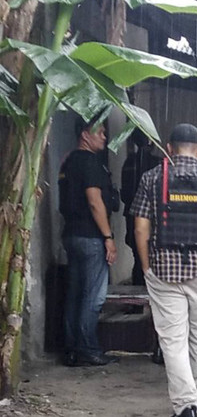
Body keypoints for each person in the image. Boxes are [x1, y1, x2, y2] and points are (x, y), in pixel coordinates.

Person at [131, 124, 197, 417]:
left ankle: (185, 404)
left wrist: (145, 266)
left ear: (169, 146)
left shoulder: (152, 178)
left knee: (172, 341)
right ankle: (195, 396)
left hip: (164, 270)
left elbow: (141, 228)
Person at [58, 115, 120, 367]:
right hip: (91, 236)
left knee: (75, 294)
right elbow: (95, 202)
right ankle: (89, 349)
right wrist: (108, 237)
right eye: (100, 132)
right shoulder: (90, 162)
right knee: (93, 296)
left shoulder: (68, 162)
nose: (105, 136)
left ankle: (72, 349)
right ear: (85, 134)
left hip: (71, 234)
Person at [121, 129, 160, 286]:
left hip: (133, 215)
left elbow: (125, 193)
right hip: (155, 218)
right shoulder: (159, 164)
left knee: (138, 256)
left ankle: (138, 294)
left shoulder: (129, 162)